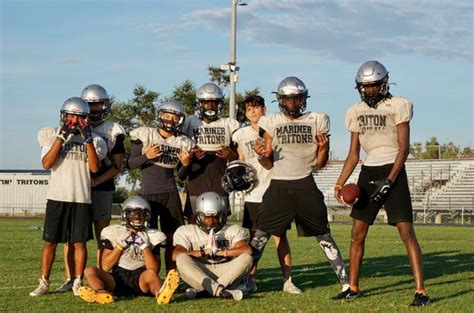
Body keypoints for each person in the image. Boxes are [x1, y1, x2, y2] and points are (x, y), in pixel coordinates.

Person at [333, 60, 431, 306]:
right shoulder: (355, 111)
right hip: (368, 170)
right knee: (357, 233)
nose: (369, 90)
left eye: (373, 85)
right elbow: (354, 153)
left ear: (384, 82)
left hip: (393, 170)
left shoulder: (398, 105)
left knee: (406, 232)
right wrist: (339, 182)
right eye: (365, 86)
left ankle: (421, 291)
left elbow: (404, 148)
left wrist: (390, 179)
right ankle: (353, 287)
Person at [249, 76, 350, 295]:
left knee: (323, 234)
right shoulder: (271, 122)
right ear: (280, 100)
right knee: (260, 235)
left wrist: (323, 149)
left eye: (296, 99)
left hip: (305, 184)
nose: (292, 103)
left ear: (303, 98)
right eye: (288, 99)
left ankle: (345, 281)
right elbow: (268, 164)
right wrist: (261, 156)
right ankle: (245, 280)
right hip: (278, 186)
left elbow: (320, 164)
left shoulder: (317, 120)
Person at [30, 97, 107, 296]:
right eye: (71, 116)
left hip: (81, 197)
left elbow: (95, 167)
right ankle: (44, 281)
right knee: (50, 242)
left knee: (79, 242)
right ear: (64, 116)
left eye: (80, 117)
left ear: (86, 119)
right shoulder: (51, 134)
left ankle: (77, 281)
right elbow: (47, 164)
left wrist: (88, 138)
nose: (74, 121)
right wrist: (61, 138)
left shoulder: (95, 140)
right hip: (57, 196)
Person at [56, 84, 126, 293]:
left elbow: (118, 165)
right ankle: (71, 279)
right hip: (75, 188)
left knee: (103, 236)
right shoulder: (71, 125)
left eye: (98, 105)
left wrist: (97, 181)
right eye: (90, 105)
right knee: (71, 237)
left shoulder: (113, 129)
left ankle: (101, 277)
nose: (95, 110)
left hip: (101, 188)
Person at [230, 95, 300, 294]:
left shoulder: (274, 128)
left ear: (264, 109)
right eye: (248, 109)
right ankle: (251, 280)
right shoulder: (240, 134)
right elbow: (241, 160)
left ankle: (288, 280)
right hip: (253, 194)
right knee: (254, 240)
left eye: (256, 107)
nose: (252, 112)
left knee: (280, 237)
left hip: (275, 191)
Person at [128, 100, 194, 272]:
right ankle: (153, 275)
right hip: (147, 195)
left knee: (173, 238)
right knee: (151, 238)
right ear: (160, 116)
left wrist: (186, 164)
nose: (170, 120)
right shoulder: (145, 135)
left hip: (170, 194)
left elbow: (180, 176)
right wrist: (147, 156)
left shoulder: (182, 142)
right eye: (166, 116)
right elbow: (131, 164)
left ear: (179, 120)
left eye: (174, 117)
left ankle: (172, 275)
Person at [78, 196, 179, 305]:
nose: (137, 216)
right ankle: (100, 292)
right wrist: (120, 245)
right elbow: (105, 266)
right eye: (133, 213)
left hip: (141, 279)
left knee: (151, 274)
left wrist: (145, 246)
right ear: (125, 215)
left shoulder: (153, 236)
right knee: (90, 270)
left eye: (142, 213)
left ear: (147, 216)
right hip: (116, 279)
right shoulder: (114, 233)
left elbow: (154, 269)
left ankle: (160, 293)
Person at [173, 192, 253, 301]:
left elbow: (246, 250)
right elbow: (176, 254)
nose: (211, 222)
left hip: (225, 270)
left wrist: (221, 252)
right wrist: (203, 252)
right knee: (181, 258)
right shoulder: (186, 230)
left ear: (222, 215)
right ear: (199, 216)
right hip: (200, 271)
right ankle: (220, 291)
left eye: (215, 217)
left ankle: (207, 291)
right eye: (207, 217)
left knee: (247, 258)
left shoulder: (232, 229)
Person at [180, 82, 239, 215]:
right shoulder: (190, 122)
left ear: (219, 104)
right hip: (196, 181)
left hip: (220, 181)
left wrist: (231, 155)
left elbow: (238, 156)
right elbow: (182, 153)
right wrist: (191, 156)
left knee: (219, 221)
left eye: (214, 102)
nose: (210, 106)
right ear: (200, 103)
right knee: (193, 221)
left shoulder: (229, 124)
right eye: (206, 102)